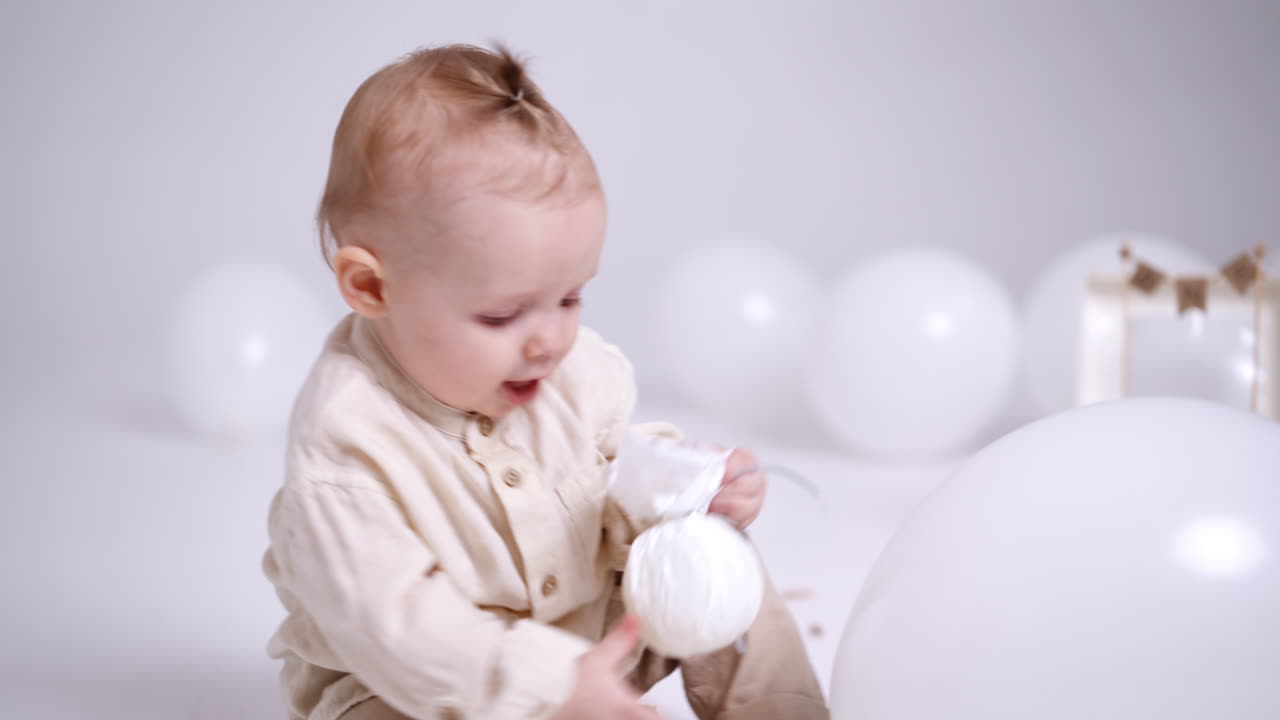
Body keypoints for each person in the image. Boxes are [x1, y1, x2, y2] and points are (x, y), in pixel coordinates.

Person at [261, 43, 827, 720]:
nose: (549, 339)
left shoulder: (572, 369)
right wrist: (551, 688)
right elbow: (398, 628)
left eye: (569, 298)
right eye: (502, 313)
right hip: (420, 687)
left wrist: (690, 492)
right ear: (372, 286)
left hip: (590, 639)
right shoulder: (347, 443)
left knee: (718, 562)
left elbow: (612, 479)